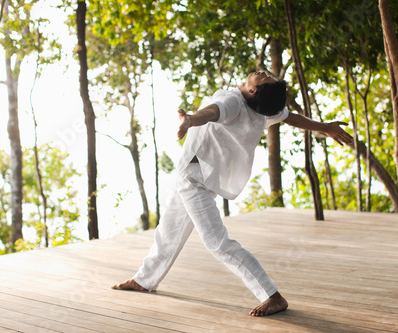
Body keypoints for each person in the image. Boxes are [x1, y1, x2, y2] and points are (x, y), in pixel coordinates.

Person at [112, 71, 353, 317]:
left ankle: (272, 295)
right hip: (198, 175)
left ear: (252, 91)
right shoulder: (262, 109)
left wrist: (192, 119)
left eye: (263, 79)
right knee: (168, 231)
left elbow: (213, 111)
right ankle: (144, 280)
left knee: (217, 243)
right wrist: (325, 127)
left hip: (194, 179)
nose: (262, 73)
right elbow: (290, 117)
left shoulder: (234, 102)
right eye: (266, 76)